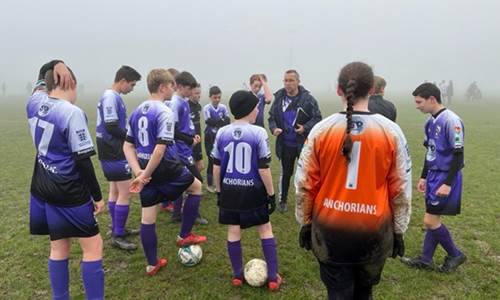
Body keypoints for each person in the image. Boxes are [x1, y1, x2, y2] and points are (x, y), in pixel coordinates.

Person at [295, 62, 412, 299]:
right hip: (373, 233)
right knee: (364, 292)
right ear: (372, 90)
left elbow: (304, 185)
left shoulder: (320, 130)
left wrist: (305, 222)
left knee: (337, 293)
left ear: (339, 90)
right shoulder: (391, 132)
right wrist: (398, 230)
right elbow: (401, 189)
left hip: (330, 233)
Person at [27, 60, 105, 299]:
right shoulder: (72, 113)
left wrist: (54, 65)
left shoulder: (34, 101)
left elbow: (42, 75)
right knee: (93, 247)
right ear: (70, 82)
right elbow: (83, 160)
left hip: (42, 186)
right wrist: (97, 196)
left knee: (58, 246)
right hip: (70, 191)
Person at [123, 68, 207, 276]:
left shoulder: (137, 110)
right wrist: (146, 174)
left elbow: (127, 146)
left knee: (148, 217)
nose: (173, 88)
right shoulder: (164, 111)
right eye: (171, 85)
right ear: (162, 87)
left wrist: (139, 173)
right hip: (164, 167)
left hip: (144, 168)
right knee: (196, 188)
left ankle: (152, 264)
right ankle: (184, 235)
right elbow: (160, 149)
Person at [212, 90, 282, 291]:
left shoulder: (222, 132)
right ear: (250, 110)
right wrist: (270, 194)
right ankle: (272, 278)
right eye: (256, 107)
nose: (258, 110)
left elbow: (216, 166)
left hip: (230, 190)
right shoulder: (258, 132)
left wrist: (219, 191)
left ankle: (236, 275)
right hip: (253, 190)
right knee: (265, 229)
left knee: (233, 230)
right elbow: (263, 168)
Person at [402, 82, 466, 272]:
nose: (417, 106)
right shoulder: (429, 122)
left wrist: (448, 183)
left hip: (446, 176)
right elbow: (430, 151)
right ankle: (426, 259)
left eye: (419, 101)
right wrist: (423, 176)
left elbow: (458, 154)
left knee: (430, 220)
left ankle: (455, 255)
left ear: (432, 99)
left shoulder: (451, 121)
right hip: (432, 175)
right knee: (433, 217)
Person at [96, 65, 141, 250]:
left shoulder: (113, 97)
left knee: (115, 191)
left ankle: (117, 227)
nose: (132, 88)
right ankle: (118, 235)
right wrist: (132, 139)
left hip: (110, 150)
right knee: (125, 192)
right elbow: (112, 126)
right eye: (131, 84)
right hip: (113, 150)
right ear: (122, 81)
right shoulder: (110, 97)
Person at [268, 69, 322, 213]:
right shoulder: (279, 98)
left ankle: (304, 202)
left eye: (291, 80)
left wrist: (305, 128)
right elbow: (271, 117)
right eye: (285, 80)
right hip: (285, 145)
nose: (288, 83)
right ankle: (283, 201)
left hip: (302, 145)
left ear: (298, 81)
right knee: (286, 174)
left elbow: (317, 118)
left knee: (305, 175)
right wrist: (274, 129)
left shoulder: (308, 99)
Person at [169, 71, 208, 225]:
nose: (191, 92)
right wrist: (188, 138)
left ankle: (177, 214)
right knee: (197, 180)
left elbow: (185, 125)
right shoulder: (175, 103)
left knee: (182, 182)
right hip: (180, 150)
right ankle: (192, 214)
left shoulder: (183, 101)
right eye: (189, 88)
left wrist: (193, 136)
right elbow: (172, 129)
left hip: (186, 147)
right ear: (179, 86)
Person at [203, 85, 230, 193]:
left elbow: (227, 120)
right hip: (210, 138)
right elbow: (209, 121)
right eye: (215, 97)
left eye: (219, 97)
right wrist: (221, 121)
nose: (217, 99)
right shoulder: (207, 108)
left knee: (221, 160)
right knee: (211, 160)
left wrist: (219, 122)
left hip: (221, 138)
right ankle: (209, 184)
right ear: (210, 97)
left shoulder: (223, 107)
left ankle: (221, 182)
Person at [189, 83, 204, 173]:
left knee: (200, 166)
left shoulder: (198, 106)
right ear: (190, 93)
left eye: (199, 93)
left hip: (198, 139)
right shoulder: (186, 106)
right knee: (194, 165)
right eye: (196, 93)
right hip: (190, 140)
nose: (199, 95)